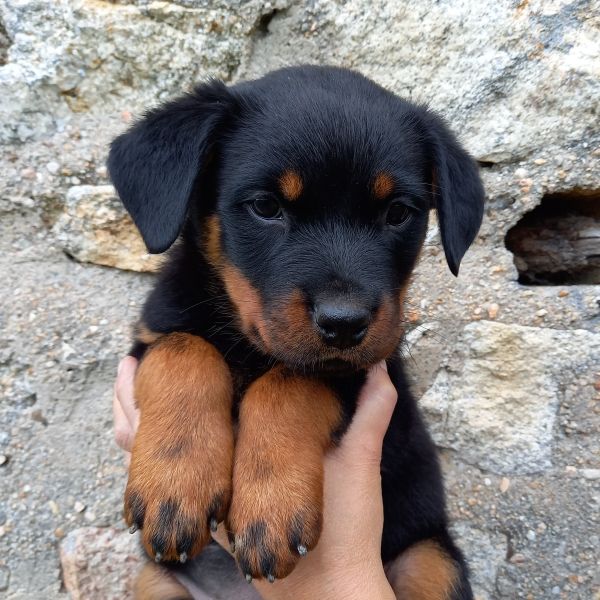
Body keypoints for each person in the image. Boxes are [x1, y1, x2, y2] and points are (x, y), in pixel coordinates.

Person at [113, 356, 398, 600]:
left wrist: (329, 582)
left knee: (419, 567)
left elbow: (343, 378)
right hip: (191, 578)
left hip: (388, 558)